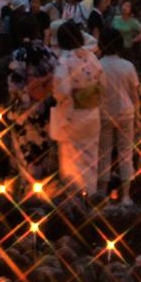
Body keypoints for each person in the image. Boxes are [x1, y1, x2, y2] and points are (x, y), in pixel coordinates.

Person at [50, 22, 106, 197]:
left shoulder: (65, 60)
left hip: (73, 114)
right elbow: (102, 82)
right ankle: (90, 194)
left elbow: (62, 91)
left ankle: (74, 201)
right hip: (92, 112)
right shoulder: (90, 57)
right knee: (90, 158)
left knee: (71, 159)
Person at [6, 14, 59, 181]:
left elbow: (14, 87)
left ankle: (30, 193)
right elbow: (57, 77)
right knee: (45, 151)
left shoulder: (18, 55)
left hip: (25, 111)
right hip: (46, 109)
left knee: (27, 155)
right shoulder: (49, 52)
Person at [97, 28, 138, 202]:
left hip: (104, 113)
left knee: (104, 153)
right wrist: (138, 117)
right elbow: (134, 95)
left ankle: (102, 193)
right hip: (126, 112)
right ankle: (126, 195)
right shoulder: (128, 66)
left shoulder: (98, 66)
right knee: (125, 154)